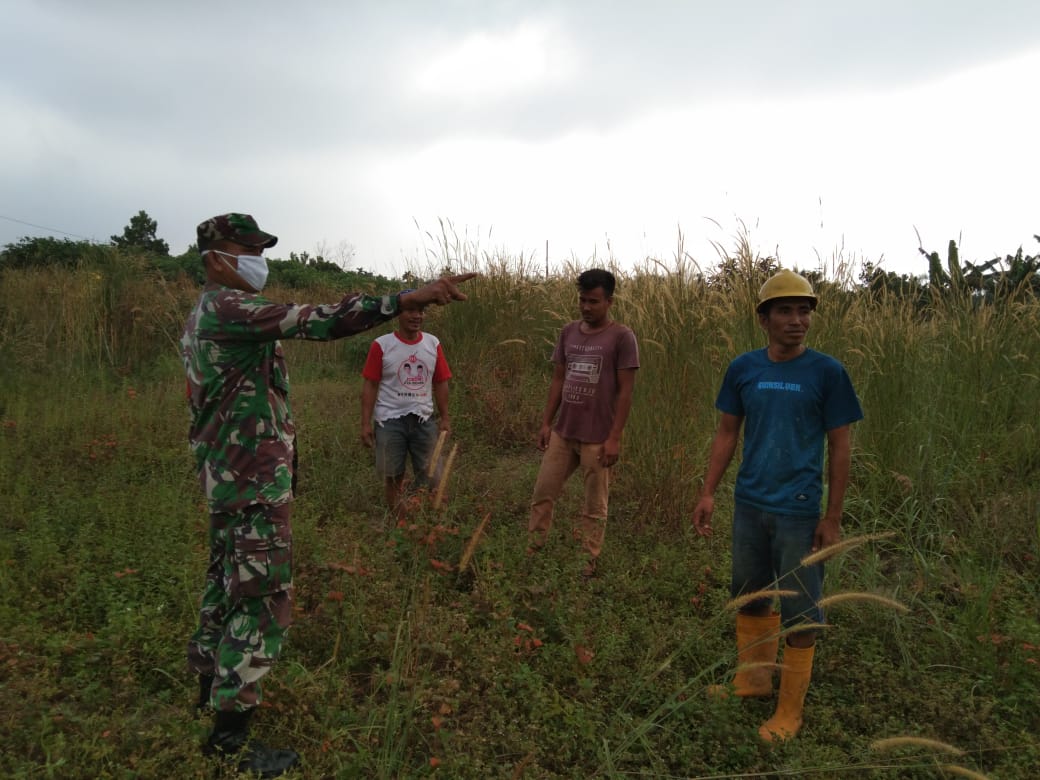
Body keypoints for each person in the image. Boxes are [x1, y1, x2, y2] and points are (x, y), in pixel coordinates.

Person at [181, 212, 474, 776]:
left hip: (229, 476)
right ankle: (229, 740)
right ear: (217, 257)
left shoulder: (207, 312)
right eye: (248, 249)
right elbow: (319, 320)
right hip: (250, 483)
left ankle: (206, 687)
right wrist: (405, 297)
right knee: (262, 595)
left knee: (225, 578)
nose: (258, 259)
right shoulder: (228, 309)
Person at [691, 268, 863, 743]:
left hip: (800, 511)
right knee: (750, 593)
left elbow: (840, 446)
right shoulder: (744, 368)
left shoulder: (828, 372)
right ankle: (753, 680)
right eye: (785, 310)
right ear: (763, 318)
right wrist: (708, 492)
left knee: (801, 610)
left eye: (804, 310)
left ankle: (790, 711)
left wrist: (832, 517)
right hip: (749, 503)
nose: (797, 320)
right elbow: (727, 433)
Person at [527, 268, 639, 577]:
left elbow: (626, 392)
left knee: (594, 504)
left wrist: (614, 437)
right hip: (564, 432)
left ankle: (587, 562)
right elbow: (558, 380)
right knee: (543, 491)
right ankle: (533, 550)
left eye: (593, 301)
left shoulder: (622, 337)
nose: (586, 307)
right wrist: (546, 423)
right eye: (582, 300)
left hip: (598, 437)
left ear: (609, 302)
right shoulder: (568, 332)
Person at [360, 298, 452, 522]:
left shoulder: (432, 344)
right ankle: (399, 523)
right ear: (397, 315)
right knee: (393, 476)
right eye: (410, 310)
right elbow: (370, 384)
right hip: (389, 421)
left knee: (432, 474)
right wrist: (365, 423)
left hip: (424, 420)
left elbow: (441, 382)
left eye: (421, 311)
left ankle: (429, 522)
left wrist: (445, 417)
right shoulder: (382, 345)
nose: (416, 316)